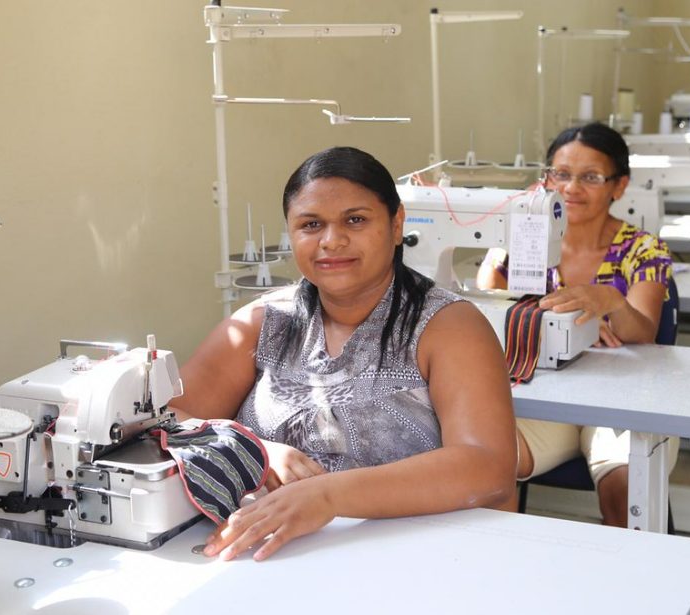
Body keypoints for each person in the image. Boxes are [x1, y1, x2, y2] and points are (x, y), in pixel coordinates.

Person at [173, 146, 519, 561]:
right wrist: (256, 452)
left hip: (417, 560)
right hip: (276, 559)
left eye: (355, 220)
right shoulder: (262, 323)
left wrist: (328, 496)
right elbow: (170, 420)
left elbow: (486, 466)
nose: (332, 241)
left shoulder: (448, 327)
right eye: (311, 224)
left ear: (396, 225)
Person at [477, 122, 676, 527]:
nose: (571, 188)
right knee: (482, 462)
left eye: (590, 177)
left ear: (619, 186)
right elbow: (484, 305)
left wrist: (611, 301)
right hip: (548, 400)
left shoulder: (642, 248)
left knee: (624, 488)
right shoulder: (527, 241)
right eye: (560, 175)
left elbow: (644, 332)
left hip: (621, 401)